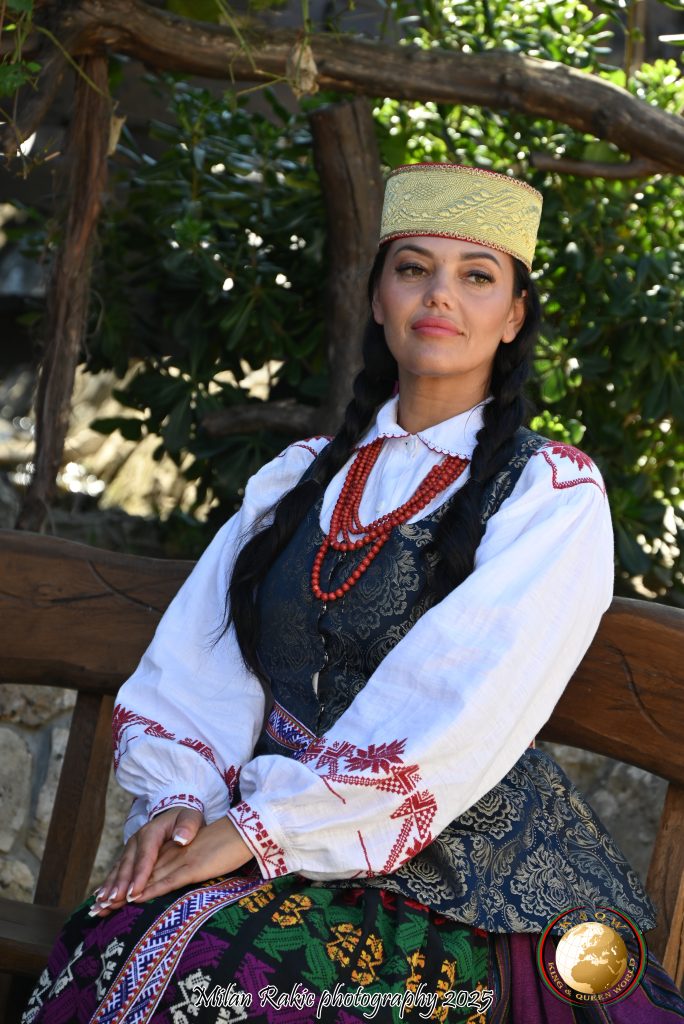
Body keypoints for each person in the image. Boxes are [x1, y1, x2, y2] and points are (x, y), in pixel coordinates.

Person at [23, 164, 684, 1024]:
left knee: (224, 982)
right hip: (275, 834)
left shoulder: (549, 493)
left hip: (463, 882)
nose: (439, 295)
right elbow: (202, 659)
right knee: (114, 935)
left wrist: (260, 832)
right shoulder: (299, 478)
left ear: (514, 315)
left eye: (476, 276)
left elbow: (461, 704)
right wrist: (181, 804)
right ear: (377, 298)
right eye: (412, 268)